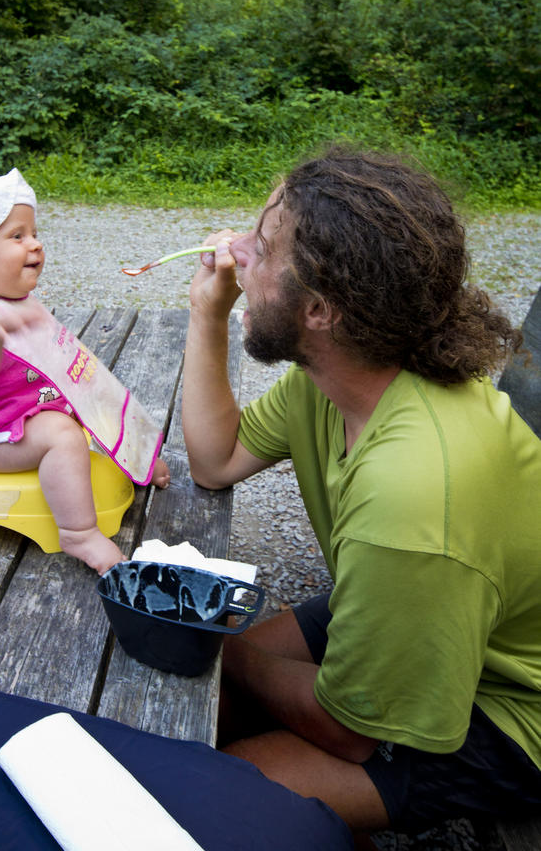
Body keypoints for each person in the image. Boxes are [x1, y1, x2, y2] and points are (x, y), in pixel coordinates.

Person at [181, 145, 541, 840]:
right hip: (415, 599)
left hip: (511, 708)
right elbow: (215, 460)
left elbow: (346, 733)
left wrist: (219, 648)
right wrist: (207, 314)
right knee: (198, 701)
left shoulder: (411, 495)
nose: (233, 250)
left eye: (259, 245)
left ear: (319, 308)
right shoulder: (339, 376)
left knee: (207, 796)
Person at [0, 168, 170, 574]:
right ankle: (79, 532)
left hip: (25, 413)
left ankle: (131, 461)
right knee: (62, 433)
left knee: (88, 396)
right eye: (17, 236)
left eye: (33, 233)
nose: (35, 244)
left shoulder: (13, 298)